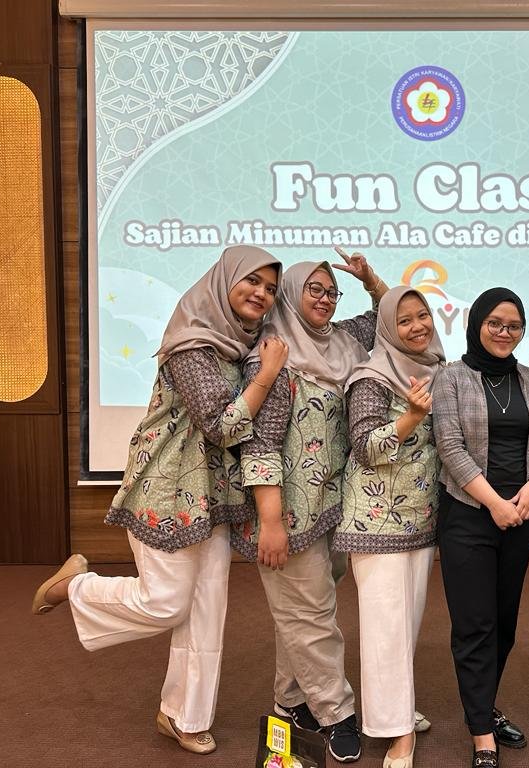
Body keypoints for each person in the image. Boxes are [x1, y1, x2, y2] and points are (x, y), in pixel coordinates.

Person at [31, 245, 288, 754]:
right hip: (165, 492)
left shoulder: (243, 345)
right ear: (223, 281)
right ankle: (75, 587)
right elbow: (221, 425)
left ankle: (183, 716)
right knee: (165, 604)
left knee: (207, 612)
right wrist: (267, 375)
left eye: (270, 289)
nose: (261, 293)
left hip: (213, 496)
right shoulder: (191, 346)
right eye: (252, 281)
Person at [229, 248, 388, 764]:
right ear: (293, 293)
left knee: (299, 612)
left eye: (331, 292)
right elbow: (258, 443)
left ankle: (291, 702)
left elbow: (389, 315)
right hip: (288, 512)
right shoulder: (274, 356)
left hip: (334, 505)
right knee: (313, 615)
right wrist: (271, 521)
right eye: (313, 289)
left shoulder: (340, 341)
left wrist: (368, 279)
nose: (324, 299)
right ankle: (336, 712)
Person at [331, 286, 446, 768]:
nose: (417, 326)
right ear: (387, 329)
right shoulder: (371, 376)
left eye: (423, 315)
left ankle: (396, 708)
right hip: (376, 522)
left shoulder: (438, 368)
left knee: (406, 626)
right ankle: (397, 732)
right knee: (385, 630)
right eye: (404, 320)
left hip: (422, 517)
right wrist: (413, 416)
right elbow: (365, 448)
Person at [432, 288, 529, 768]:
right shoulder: (451, 377)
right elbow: (450, 447)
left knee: (504, 623)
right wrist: (494, 503)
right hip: (468, 515)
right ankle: (481, 732)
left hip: (520, 516)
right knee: (474, 624)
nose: (504, 332)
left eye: (513, 325)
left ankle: (483, 706)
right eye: (495, 323)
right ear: (476, 323)